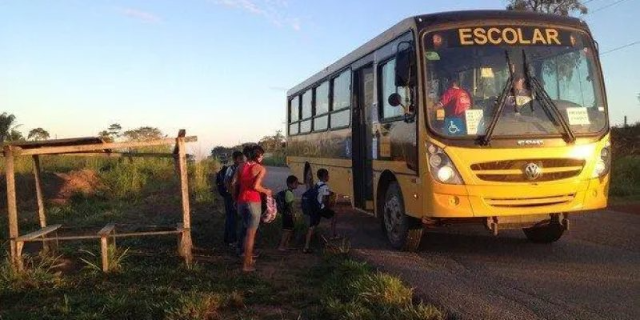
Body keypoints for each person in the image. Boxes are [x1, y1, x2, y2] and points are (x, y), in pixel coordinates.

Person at [234, 145, 271, 272]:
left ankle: (248, 259)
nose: (262, 157)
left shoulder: (240, 166)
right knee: (251, 235)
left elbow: (235, 184)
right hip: (253, 202)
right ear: (257, 156)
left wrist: (235, 199)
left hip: (241, 202)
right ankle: (246, 265)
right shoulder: (260, 168)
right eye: (261, 155)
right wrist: (267, 191)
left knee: (245, 230)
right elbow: (256, 186)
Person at [303, 169, 337, 254]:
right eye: (327, 175)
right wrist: (328, 206)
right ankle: (332, 235)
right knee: (334, 215)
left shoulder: (317, 184)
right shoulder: (325, 186)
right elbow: (325, 199)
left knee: (312, 227)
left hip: (314, 208)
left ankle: (306, 247)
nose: (328, 177)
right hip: (321, 208)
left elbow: (319, 194)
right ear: (325, 177)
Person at [221, 151, 244, 246]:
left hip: (233, 196)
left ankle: (227, 238)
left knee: (230, 217)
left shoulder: (238, 168)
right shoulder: (231, 168)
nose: (242, 161)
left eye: (242, 159)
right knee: (232, 218)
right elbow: (226, 182)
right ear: (234, 159)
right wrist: (232, 195)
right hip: (230, 197)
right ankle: (232, 240)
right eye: (240, 159)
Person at [277, 175, 299, 251]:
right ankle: (281, 246)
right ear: (290, 184)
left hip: (285, 214)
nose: (297, 185)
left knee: (288, 230)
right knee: (287, 231)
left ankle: (286, 245)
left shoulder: (287, 192)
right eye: (295, 183)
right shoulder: (289, 193)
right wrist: (294, 216)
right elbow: (291, 206)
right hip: (288, 215)